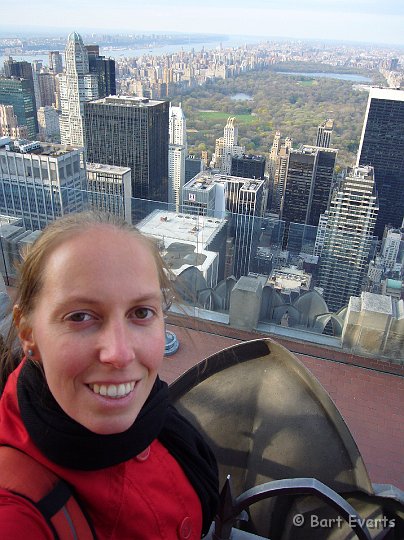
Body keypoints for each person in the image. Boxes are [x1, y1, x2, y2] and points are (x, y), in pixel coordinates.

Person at [0, 211, 219, 539]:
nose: (119, 353)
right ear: (28, 331)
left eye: (142, 312)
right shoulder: (17, 513)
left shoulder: (155, 413)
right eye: (80, 316)